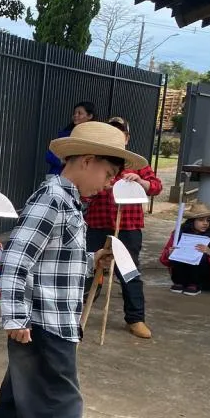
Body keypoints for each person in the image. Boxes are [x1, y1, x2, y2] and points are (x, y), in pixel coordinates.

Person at [0, 121, 146, 418]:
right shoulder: (52, 199)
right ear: (86, 161)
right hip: (43, 321)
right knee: (57, 403)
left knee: (22, 393)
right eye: (107, 174)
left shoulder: (66, 201)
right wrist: (16, 317)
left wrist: (92, 262)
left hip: (50, 317)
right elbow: (17, 259)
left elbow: (53, 261)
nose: (107, 185)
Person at [82, 117, 162, 339]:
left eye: (120, 134)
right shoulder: (95, 162)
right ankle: (76, 308)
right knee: (87, 265)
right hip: (98, 222)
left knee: (129, 270)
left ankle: (135, 318)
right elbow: (82, 191)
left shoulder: (138, 164)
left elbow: (156, 187)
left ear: (127, 138)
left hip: (127, 225)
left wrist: (141, 182)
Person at [160, 202, 210, 295]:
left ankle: (195, 284)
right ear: (192, 221)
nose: (205, 223)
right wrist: (169, 254)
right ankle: (179, 282)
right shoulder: (179, 235)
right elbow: (163, 260)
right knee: (178, 251)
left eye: (208, 220)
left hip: (203, 278)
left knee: (201, 254)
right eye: (201, 220)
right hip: (180, 277)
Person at [45, 101, 97, 177]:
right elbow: (49, 155)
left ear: (90, 116)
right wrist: (61, 161)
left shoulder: (94, 137)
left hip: (80, 178)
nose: (75, 115)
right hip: (57, 175)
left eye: (79, 113)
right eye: (75, 113)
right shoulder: (65, 134)